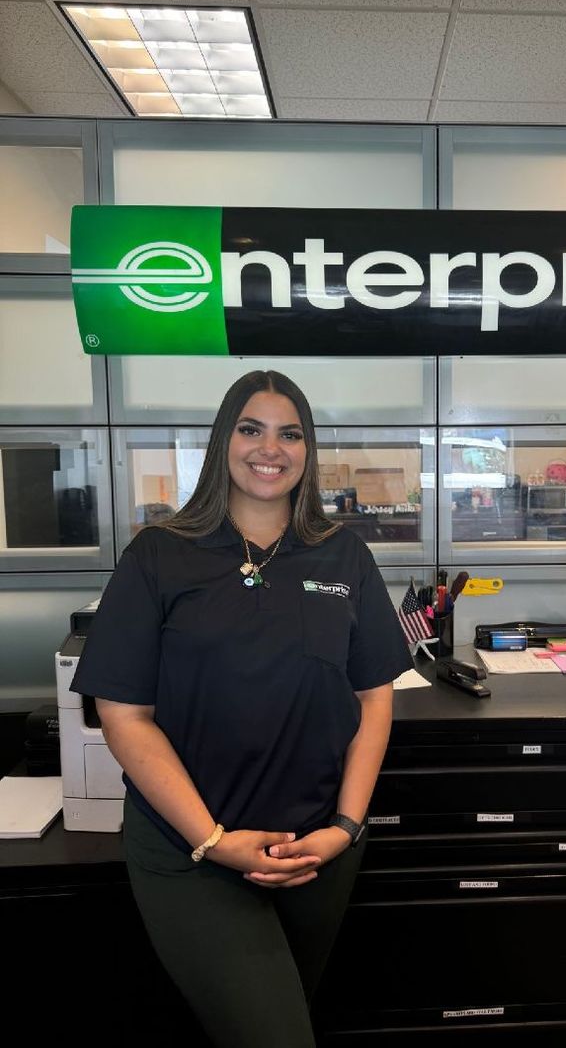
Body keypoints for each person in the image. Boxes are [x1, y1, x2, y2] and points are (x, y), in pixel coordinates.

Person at [70, 370, 412, 1048]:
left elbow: (373, 698)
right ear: (224, 438)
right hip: (192, 852)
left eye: (290, 433)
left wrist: (345, 825)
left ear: (309, 449)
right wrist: (212, 839)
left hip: (313, 852)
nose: (271, 448)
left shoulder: (342, 552)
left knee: (277, 1017)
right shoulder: (159, 555)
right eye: (251, 428)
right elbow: (123, 713)